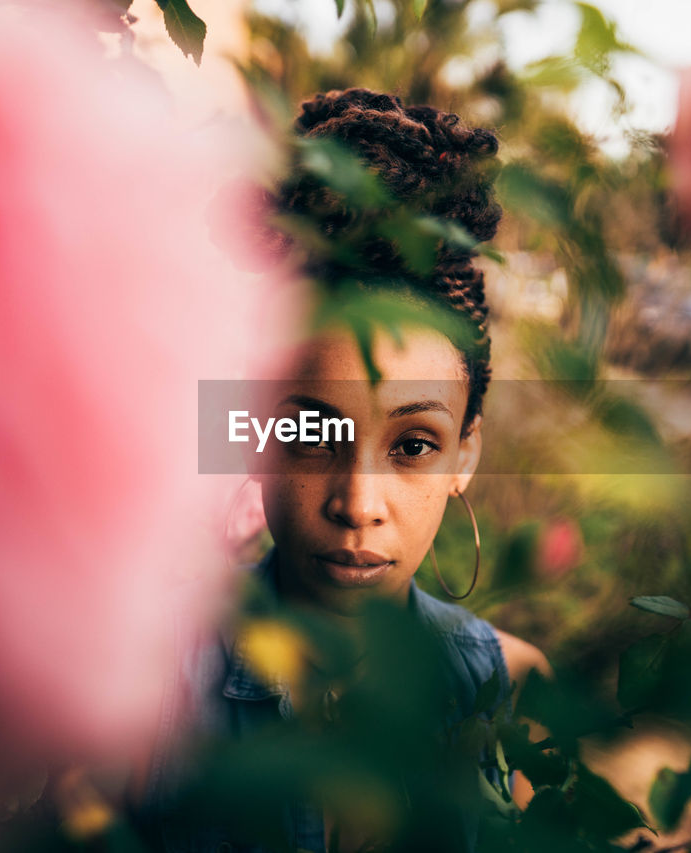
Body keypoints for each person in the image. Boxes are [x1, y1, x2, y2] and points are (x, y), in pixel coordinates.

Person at [144, 88, 550, 853]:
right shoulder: (147, 687)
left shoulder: (512, 696)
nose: (358, 503)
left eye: (413, 445)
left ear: (467, 452)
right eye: (311, 432)